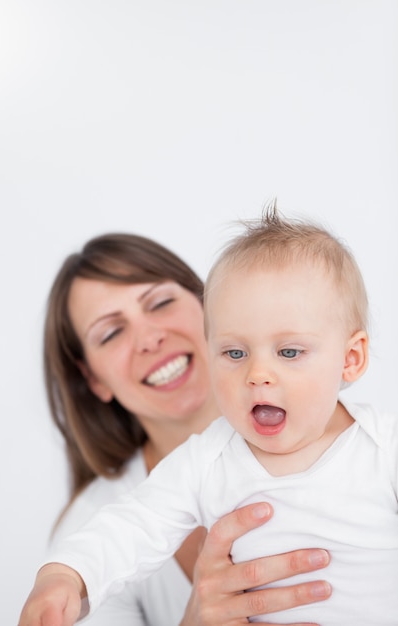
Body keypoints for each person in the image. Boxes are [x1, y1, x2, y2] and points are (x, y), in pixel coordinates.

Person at [19, 228, 334, 626]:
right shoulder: (95, 523)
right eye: (112, 332)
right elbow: (104, 547)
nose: (150, 338)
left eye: (161, 302)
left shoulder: (357, 434)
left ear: (211, 306)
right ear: (93, 379)